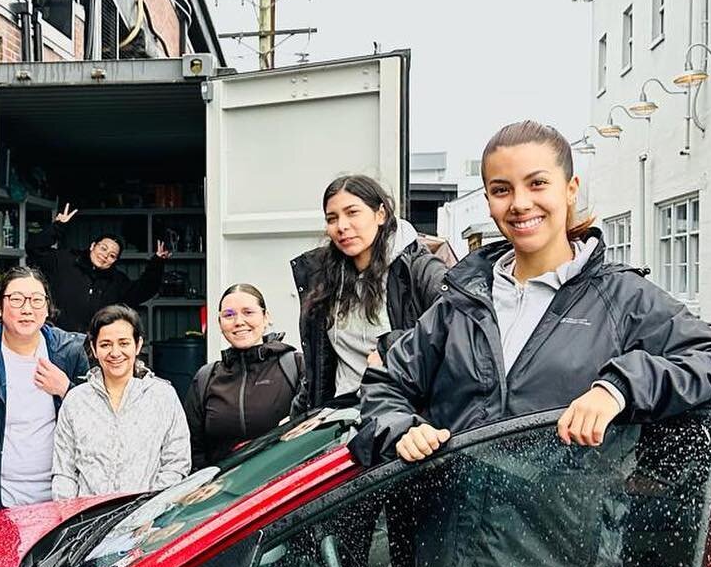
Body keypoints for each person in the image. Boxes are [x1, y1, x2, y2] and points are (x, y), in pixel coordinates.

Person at [351, 119, 711, 567]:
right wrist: (397, 428)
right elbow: (385, 381)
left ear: (570, 189)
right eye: (501, 190)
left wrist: (619, 386)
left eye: (537, 183)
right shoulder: (460, 303)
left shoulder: (623, 300)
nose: (519, 203)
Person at [291, 173, 447, 411]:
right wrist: (296, 418)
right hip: (339, 420)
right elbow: (319, 368)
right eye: (332, 218)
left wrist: (391, 347)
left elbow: (455, 328)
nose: (342, 226)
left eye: (352, 212)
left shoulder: (418, 269)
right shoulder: (325, 279)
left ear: (380, 214)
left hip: (400, 417)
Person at [0, 265, 88, 513]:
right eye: (16, 299)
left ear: (47, 308)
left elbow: (96, 429)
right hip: (3, 501)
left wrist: (67, 390)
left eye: (37, 300)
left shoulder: (68, 353)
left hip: (61, 502)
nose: (27, 309)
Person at [52, 305, 191, 498]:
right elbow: (64, 472)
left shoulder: (163, 397)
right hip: (88, 522)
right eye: (105, 344)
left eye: (124, 343)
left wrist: (152, 511)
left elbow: (176, 464)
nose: (115, 353)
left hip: (147, 522)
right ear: (93, 348)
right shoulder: (76, 401)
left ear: (138, 344)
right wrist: (70, 517)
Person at [185, 283, 303, 468]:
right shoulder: (205, 379)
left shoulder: (295, 367)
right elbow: (194, 450)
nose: (238, 321)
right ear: (219, 323)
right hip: (226, 493)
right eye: (229, 315)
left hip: (284, 489)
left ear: (266, 317)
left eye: (248, 312)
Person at [31, 202, 171, 333]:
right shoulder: (66, 260)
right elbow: (34, 248)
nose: (105, 256)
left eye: (112, 255)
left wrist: (157, 262)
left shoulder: (117, 281)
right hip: (55, 337)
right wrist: (58, 226)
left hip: (92, 344)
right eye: (103, 248)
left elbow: (144, 290)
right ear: (92, 246)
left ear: (115, 261)